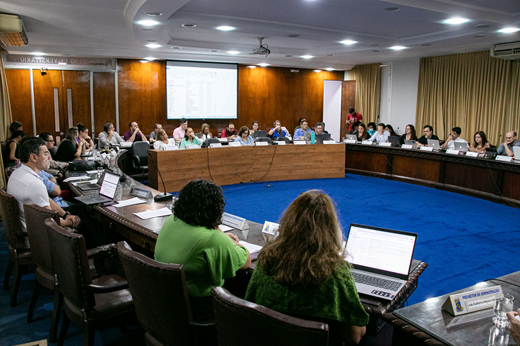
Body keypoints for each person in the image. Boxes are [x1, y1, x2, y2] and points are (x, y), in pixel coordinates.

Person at [245, 190, 368, 346]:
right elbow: (354, 336)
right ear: (330, 227)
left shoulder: (266, 258)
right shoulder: (336, 272)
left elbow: (250, 305)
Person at [155, 179, 251, 321]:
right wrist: (234, 242)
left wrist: (218, 232)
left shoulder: (172, 220)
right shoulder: (213, 240)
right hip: (198, 307)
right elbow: (246, 261)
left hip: (168, 298)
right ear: (216, 209)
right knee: (242, 281)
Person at [7, 137, 80, 249]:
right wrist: (69, 222)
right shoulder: (34, 184)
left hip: (28, 229)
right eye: (46, 154)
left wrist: (65, 215)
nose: (49, 158)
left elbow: (46, 199)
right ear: (33, 157)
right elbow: (51, 221)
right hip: (37, 238)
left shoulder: (17, 173)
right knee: (86, 216)